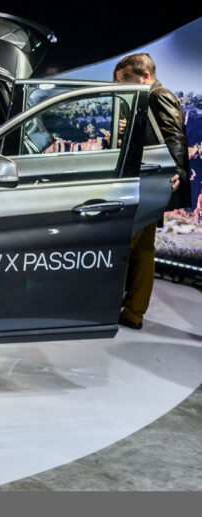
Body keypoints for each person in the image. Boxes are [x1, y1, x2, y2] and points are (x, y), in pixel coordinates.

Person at [113, 53, 192, 329]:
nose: (122, 86)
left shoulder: (160, 95)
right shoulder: (147, 97)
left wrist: (177, 170)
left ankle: (123, 309)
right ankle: (133, 311)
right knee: (142, 248)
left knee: (130, 246)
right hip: (147, 182)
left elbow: (175, 135)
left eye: (126, 79)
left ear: (145, 76)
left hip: (148, 184)